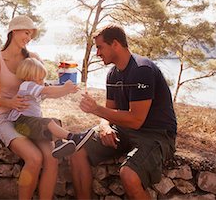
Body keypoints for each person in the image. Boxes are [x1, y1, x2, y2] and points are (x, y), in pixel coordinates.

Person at [67, 24, 177, 200]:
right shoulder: (112, 75)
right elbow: (108, 112)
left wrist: (96, 109)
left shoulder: (142, 70)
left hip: (156, 134)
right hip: (124, 130)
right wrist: (104, 127)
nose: (97, 53)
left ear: (115, 44)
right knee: (77, 150)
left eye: (100, 47)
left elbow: (136, 120)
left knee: (129, 175)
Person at [0, 16, 57, 199]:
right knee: (34, 158)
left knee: (52, 157)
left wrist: (52, 88)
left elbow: (42, 86)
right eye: (26, 32)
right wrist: (10, 103)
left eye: (31, 34)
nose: (29, 37)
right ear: (14, 31)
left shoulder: (33, 58)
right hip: (8, 120)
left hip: (32, 120)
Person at [10, 57, 95, 159]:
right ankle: (74, 137)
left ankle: (58, 144)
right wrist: (64, 88)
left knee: (55, 122)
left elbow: (53, 95)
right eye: (40, 79)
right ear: (29, 77)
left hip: (31, 122)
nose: (42, 81)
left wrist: (67, 90)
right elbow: (48, 90)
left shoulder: (35, 88)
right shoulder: (27, 85)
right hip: (22, 122)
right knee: (49, 122)